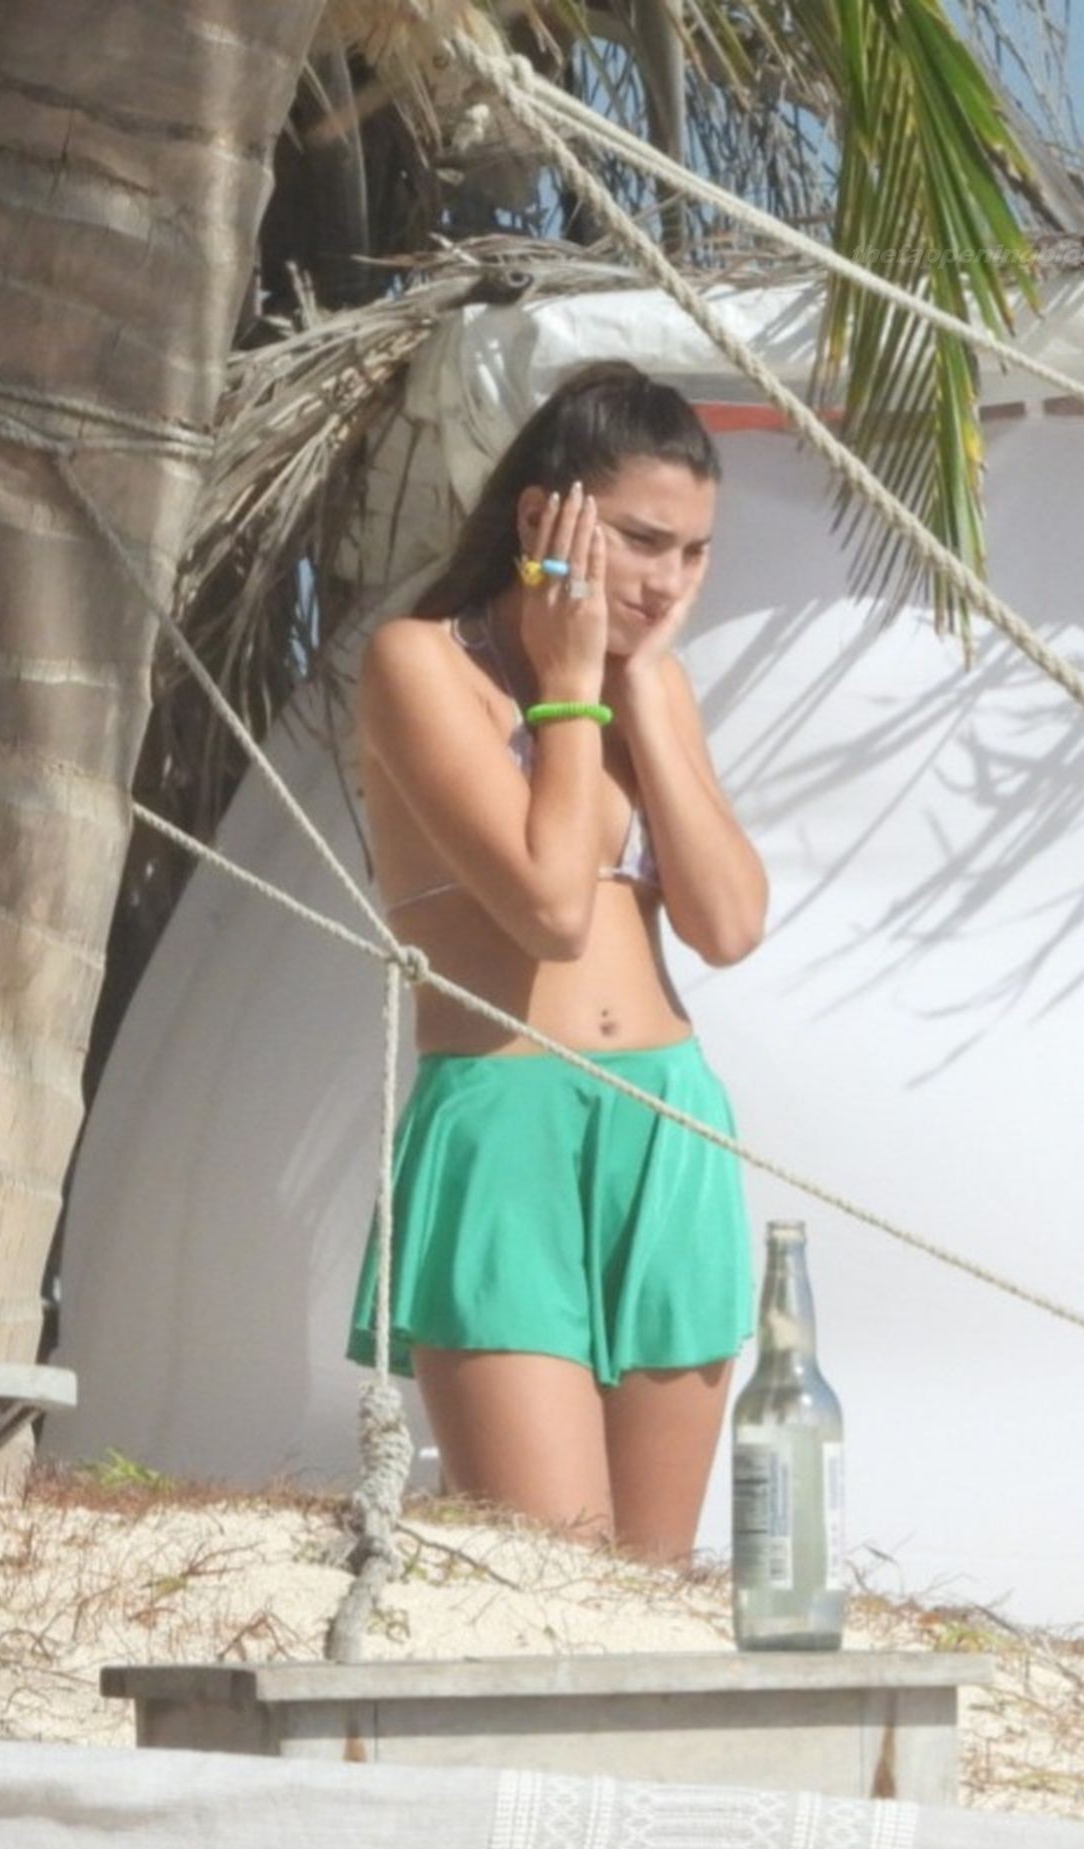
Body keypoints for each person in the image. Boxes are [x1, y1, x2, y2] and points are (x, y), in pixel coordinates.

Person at [346, 359, 768, 1565]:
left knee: (649, 1584)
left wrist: (637, 690)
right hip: (504, 1124)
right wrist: (571, 688)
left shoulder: (652, 685)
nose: (666, 581)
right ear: (542, 518)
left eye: (692, 552)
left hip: (666, 1123)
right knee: (548, 1579)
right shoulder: (419, 664)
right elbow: (548, 908)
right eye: (640, 541)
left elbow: (729, 924)